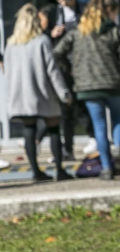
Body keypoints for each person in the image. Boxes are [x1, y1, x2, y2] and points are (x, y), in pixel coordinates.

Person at [53, 0, 120, 180]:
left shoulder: (76, 32)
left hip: (87, 85)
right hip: (113, 82)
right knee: (119, 118)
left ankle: (106, 168)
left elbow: (57, 53)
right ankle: (118, 148)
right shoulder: (115, 31)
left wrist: (72, 69)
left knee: (99, 126)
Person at [5, 3, 72, 182]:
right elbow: (52, 70)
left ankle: (36, 171)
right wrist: (63, 92)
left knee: (29, 129)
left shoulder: (11, 44)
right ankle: (59, 169)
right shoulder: (42, 41)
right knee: (54, 128)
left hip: (21, 94)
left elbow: (8, 71)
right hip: (42, 92)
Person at [40, 0, 80, 161]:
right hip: (61, 68)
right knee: (62, 109)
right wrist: (52, 33)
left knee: (71, 110)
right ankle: (57, 147)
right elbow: (41, 35)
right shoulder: (52, 13)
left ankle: (68, 148)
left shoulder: (83, 11)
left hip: (80, 66)